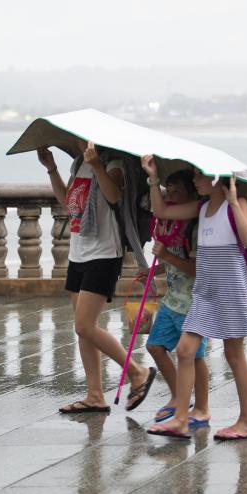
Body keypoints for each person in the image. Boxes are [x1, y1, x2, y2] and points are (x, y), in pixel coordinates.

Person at [140, 155, 247, 441]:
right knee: (184, 350)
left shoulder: (237, 205)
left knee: (234, 354)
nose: (194, 181)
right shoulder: (201, 207)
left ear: (215, 178)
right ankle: (181, 419)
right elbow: (161, 210)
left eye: (198, 176)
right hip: (205, 291)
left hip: (230, 290)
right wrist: (153, 178)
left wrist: (232, 202)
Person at [38, 140, 156, 413]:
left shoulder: (114, 164)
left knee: (84, 325)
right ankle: (94, 395)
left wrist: (97, 165)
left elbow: (114, 195)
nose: (78, 141)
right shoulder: (79, 164)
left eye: (82, 137)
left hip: (103, 252)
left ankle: (137, 372)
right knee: (84, 329)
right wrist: (52, 168)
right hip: (79, 252)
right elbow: (68, 201)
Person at [142, 169, 210, 429]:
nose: (170, 196)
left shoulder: (194, 228)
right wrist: (152, 271)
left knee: (195, 356)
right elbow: (171, 263)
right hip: (171, 300)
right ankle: (178, 396)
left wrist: (167, 257)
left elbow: (195, 268)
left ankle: (202, 406)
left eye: (176, 191)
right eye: (167, 191)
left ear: (192, 195)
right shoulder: (170, 225)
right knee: (155, 346)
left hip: (192, 301)